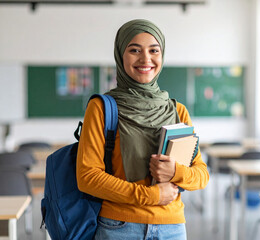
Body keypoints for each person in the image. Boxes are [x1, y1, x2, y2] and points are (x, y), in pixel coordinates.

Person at [76, 19, 210, 240]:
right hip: (119, 227)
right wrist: (150, 195)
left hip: (172, 228)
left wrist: (176, 172)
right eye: (134, 50)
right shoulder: (102, 108)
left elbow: (202, 175)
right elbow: (88, 177)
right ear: (121, 55)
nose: (145, 58)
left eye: (153, 50)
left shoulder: (178, 111)